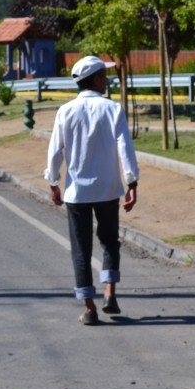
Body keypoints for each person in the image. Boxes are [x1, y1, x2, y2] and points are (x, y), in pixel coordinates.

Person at [44, 55, 139, 325]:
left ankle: (88, 308)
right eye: (103, 75)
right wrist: (132, 182)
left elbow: (55, 153)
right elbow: (125, 148)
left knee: (80, 249)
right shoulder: (113, 109)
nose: (106, 79)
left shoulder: (65, 111)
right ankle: (110, 292)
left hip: (77, 194)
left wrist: (53, 182)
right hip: (108, 190)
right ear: (96, 79)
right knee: (110, 241)